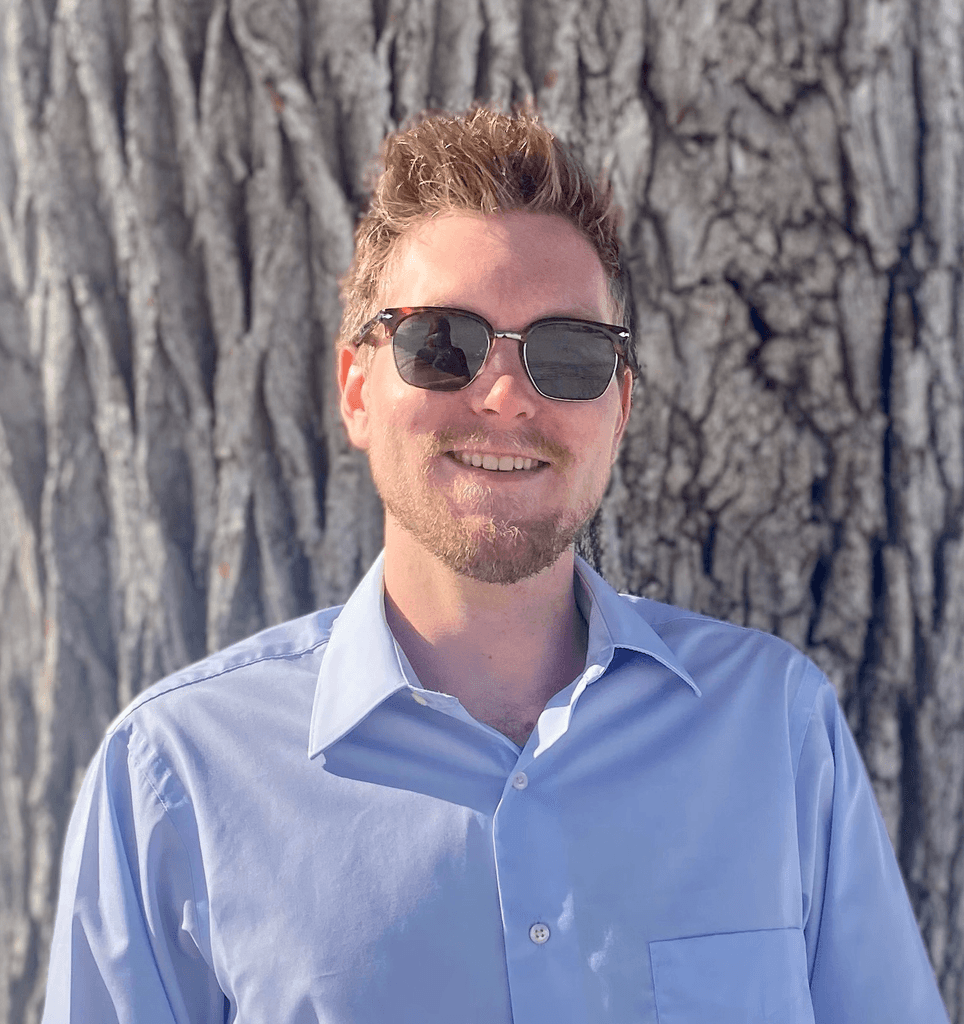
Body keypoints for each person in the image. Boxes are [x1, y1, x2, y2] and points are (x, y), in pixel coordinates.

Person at [42, 107, 949, 1024]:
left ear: (619, 407)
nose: (508, 395)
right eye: (443, 344)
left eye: (567, 352)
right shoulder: (177, 773)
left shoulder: (774, 729)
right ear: (358, 388)